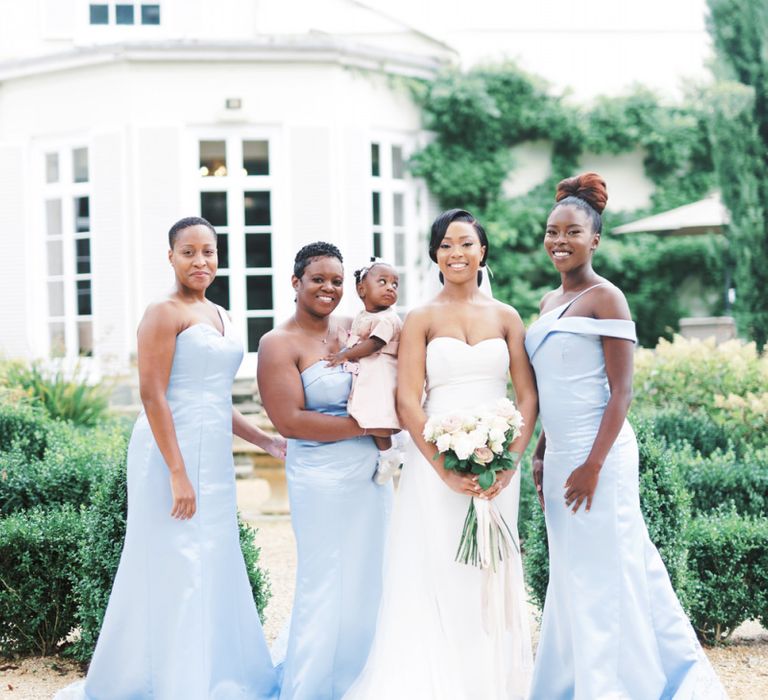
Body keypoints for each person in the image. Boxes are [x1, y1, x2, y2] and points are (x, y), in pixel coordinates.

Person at [55, 216, 283, 700]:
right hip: (166, 454)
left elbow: (214, 401)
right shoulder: (162, 312)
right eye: (189, 252)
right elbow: (153, 395)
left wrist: (266, 442)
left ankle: (211, 674)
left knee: (214, 558)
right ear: (171, 256)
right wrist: (178, 473)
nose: (200, 261)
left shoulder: (220, 314)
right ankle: (169, 681)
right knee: (174, 559)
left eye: (209, 252)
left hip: (213, 457)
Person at [525, 173, 727, 698]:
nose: (559, 241)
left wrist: (592, 464)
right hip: (561, 455)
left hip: (602, 457)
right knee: (573, 575)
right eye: (552, 231)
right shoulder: (548, 303)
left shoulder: (607, 298)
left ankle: (615, 686)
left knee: (606, 571)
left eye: (571, 232)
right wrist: (543, 449)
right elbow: (557, 387)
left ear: (595, 239)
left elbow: (621, 393)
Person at [344, 209, 537, 700]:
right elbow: (407, 399)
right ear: (435, 254)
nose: (456, 253)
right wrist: (442, 467)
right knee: (438, 565)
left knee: (489, 567)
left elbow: (527, 397)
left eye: (466, 243)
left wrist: (511, 460)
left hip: (498, 462)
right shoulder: (421, 318)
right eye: (446, 244)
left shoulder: (507, 316)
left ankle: (491, 681)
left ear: (482, 251)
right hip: (437, 462)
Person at [256, 242, 393, 700]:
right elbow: (289, 421)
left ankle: (365, 679)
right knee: (325, 577)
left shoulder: (356, 328)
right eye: (318, 279)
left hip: (370, 475)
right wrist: (364, 426)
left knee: (371, 572)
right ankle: (313, 685)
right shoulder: (277, 344)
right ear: (296, 283)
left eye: (336, 281)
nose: (328, 288)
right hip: (319, 477)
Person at [324, 259, 403, 484]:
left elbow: (374, 344)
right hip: (370, 371)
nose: (390, 287)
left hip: (382, 373)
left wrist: (344, 355)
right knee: (374, 413)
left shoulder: (388, 318)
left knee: (377, 414)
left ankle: (389, 454)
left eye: (395, 284)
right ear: (362, 290)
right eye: (383, 282)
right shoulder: (364, 316)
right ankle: (396, 444)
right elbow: (358, 339)